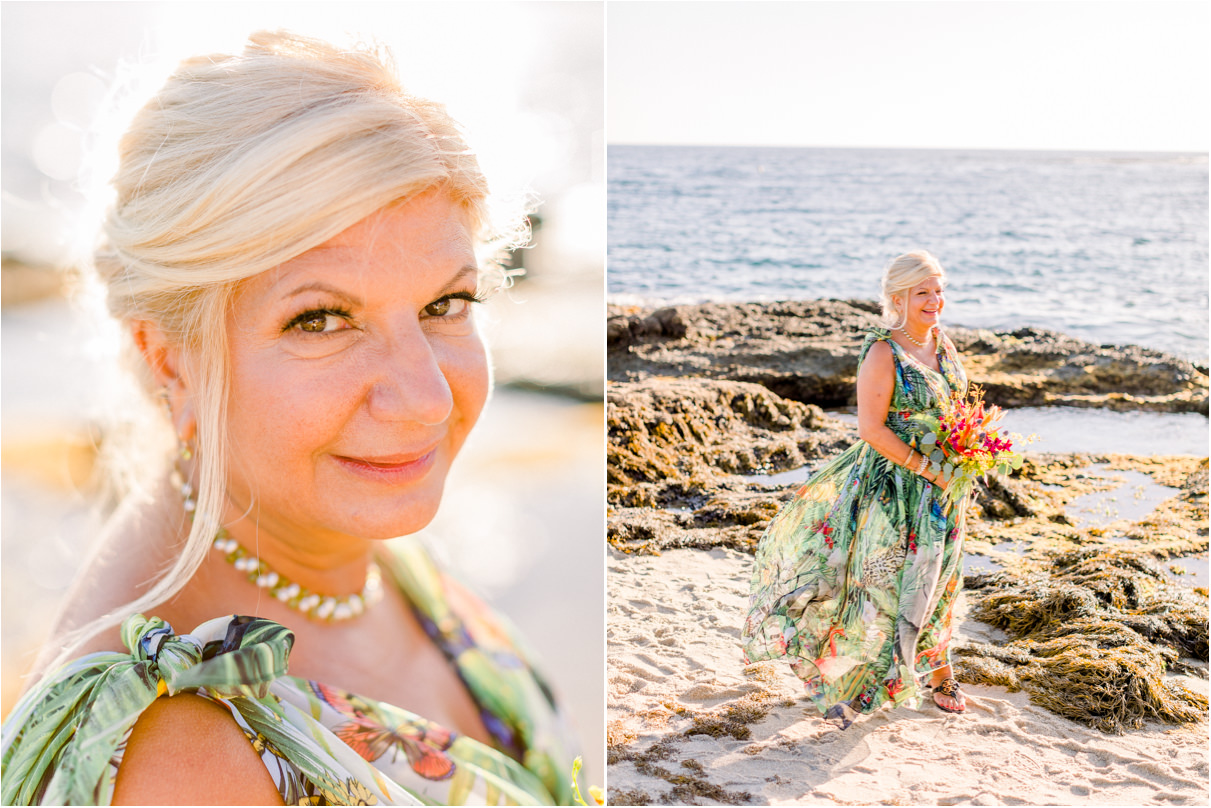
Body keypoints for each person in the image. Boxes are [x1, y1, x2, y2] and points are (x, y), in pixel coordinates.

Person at [1, 31, 578, 806]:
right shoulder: (180, 762)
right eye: (320, 320)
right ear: (172, 360)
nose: (427, 399)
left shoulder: (351, 548)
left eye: (446, 303)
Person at [741, 250, 969, 726]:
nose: (935, 300)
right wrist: (928, 469)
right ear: (897, 297)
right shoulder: (883, 350)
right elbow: (870, 428)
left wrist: (968, 450)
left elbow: (956, 410)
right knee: (880, 586)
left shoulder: (942, 343)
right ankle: (854, 680)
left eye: (939, 289)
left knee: (941, 581)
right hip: (893, 490)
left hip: (945, 490)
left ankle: (939, 669)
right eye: (923, 292)